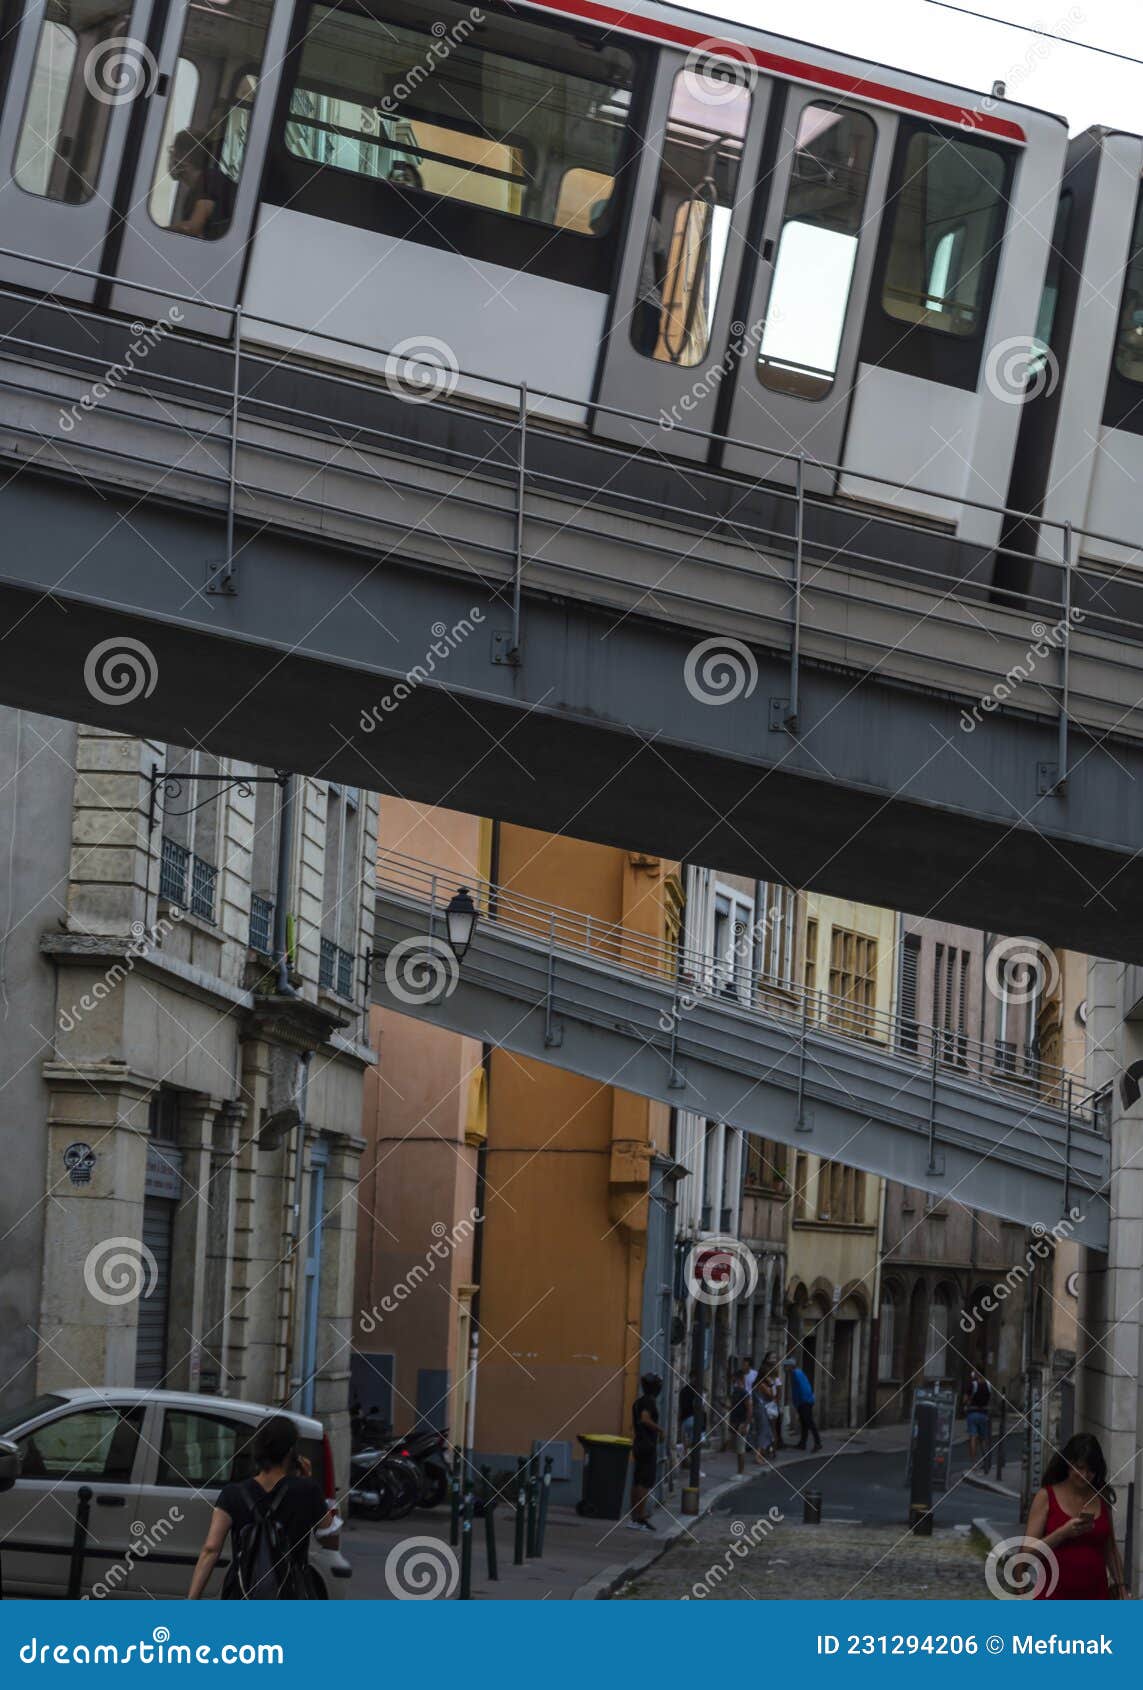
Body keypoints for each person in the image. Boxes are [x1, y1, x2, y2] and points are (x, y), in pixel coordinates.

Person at [188, 1415, 332, 1598]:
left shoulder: (232, 1494)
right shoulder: (308, 1491)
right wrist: (308, 1481)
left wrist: (192, 1599)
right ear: (291, 1452)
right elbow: (330, 1539)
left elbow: (211, 1549)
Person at [1023, 1433, 1128, 1600]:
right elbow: (1027, 1553)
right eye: (1080, 1467)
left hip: (1096, 1597)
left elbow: (1111, 1549)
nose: (1084, 1476)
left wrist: (1122, 1587)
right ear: (1068, 1464)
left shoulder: (1101, 1497)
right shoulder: (1046, 1496)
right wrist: (1062, 1533)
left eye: (1091, 1471)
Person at [167, 128, 235, 241]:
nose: (170, 157)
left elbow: (193, 228)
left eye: (173, 151)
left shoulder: (211, 179)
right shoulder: (195, 192)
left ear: (184, 158)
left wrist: (156, 230)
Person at [629, 1373, 666, 1531]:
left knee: (637, 1480)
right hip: (647, 1445)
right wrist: (660, 1430)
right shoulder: (648, 1402)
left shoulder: (638, 1402)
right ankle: (640, 1517)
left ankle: (634, 1516)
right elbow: (645, 1419)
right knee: (645, 1481)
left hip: (638, 1443)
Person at [789, 1357, 822, 1452]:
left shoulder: (796, 1374)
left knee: (809, 1422)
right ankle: (802, 1443)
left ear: (790, 1366)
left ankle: (818, 1442)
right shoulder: (798, 1372)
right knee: (804, 1423)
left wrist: (800, 1402)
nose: (785, 1368)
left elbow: (802, 1388)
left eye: (786, 1366)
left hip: (804, 1402)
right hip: (806, 1401)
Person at [963, 1369, 991, 1468]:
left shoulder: (972, 1385)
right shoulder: (988, 1385)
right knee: (983, 1439)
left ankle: (974, 1463)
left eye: (974, 1372)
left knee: (973, 1437)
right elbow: (989, 1398)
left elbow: (965, 1399)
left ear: (977, 1374)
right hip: (984, 1414)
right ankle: (985, 1461)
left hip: (972, 1413)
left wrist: (967, 1402)